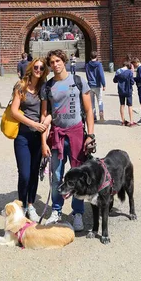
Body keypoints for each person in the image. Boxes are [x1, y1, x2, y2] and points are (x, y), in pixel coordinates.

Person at [40, 49, 95, 231]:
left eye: (58, 61)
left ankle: (77, 212)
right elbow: (45, 115)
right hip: (57, 134)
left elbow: (88, 111)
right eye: (52, 62)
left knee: (78, 175)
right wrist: (42, 141)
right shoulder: (48, 87)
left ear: (64, 60)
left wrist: (90, 136)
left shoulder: (78, 82)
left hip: (77, 133)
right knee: (56, 175)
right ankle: (56, 210)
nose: (55, 65)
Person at [10, 58, 51, 222]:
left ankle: (31, 204)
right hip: (23, 135)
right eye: (36, 67)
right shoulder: (21, 86)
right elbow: (14, 111)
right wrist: (33, 123)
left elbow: (45, 112)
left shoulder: (44, 88)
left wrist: (44, 137)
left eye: (42, 68)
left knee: (34, 173)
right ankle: (22, 205)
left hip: (37, 136)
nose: (38, 70)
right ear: (31, 67)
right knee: (25, 174)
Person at [113, 62, 137, 126]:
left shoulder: (118, 71)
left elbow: (114, 80)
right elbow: (132, 82)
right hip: (128, 90)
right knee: (130, 105)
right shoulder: (129, 72)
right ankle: (131, 121)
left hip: (121, 90)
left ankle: (123, 121)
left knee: (122, 105)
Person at [85, 51, 106, 122]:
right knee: (100, 100)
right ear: (96, 57)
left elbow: (87, 75)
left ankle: (94, 116)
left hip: (90, 85)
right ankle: (101, 113)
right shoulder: (99, 65)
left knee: (92, 102)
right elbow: (101, 74)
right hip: (97, 85)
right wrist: (104, 84)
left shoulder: (87, 65)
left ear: (90, 57)